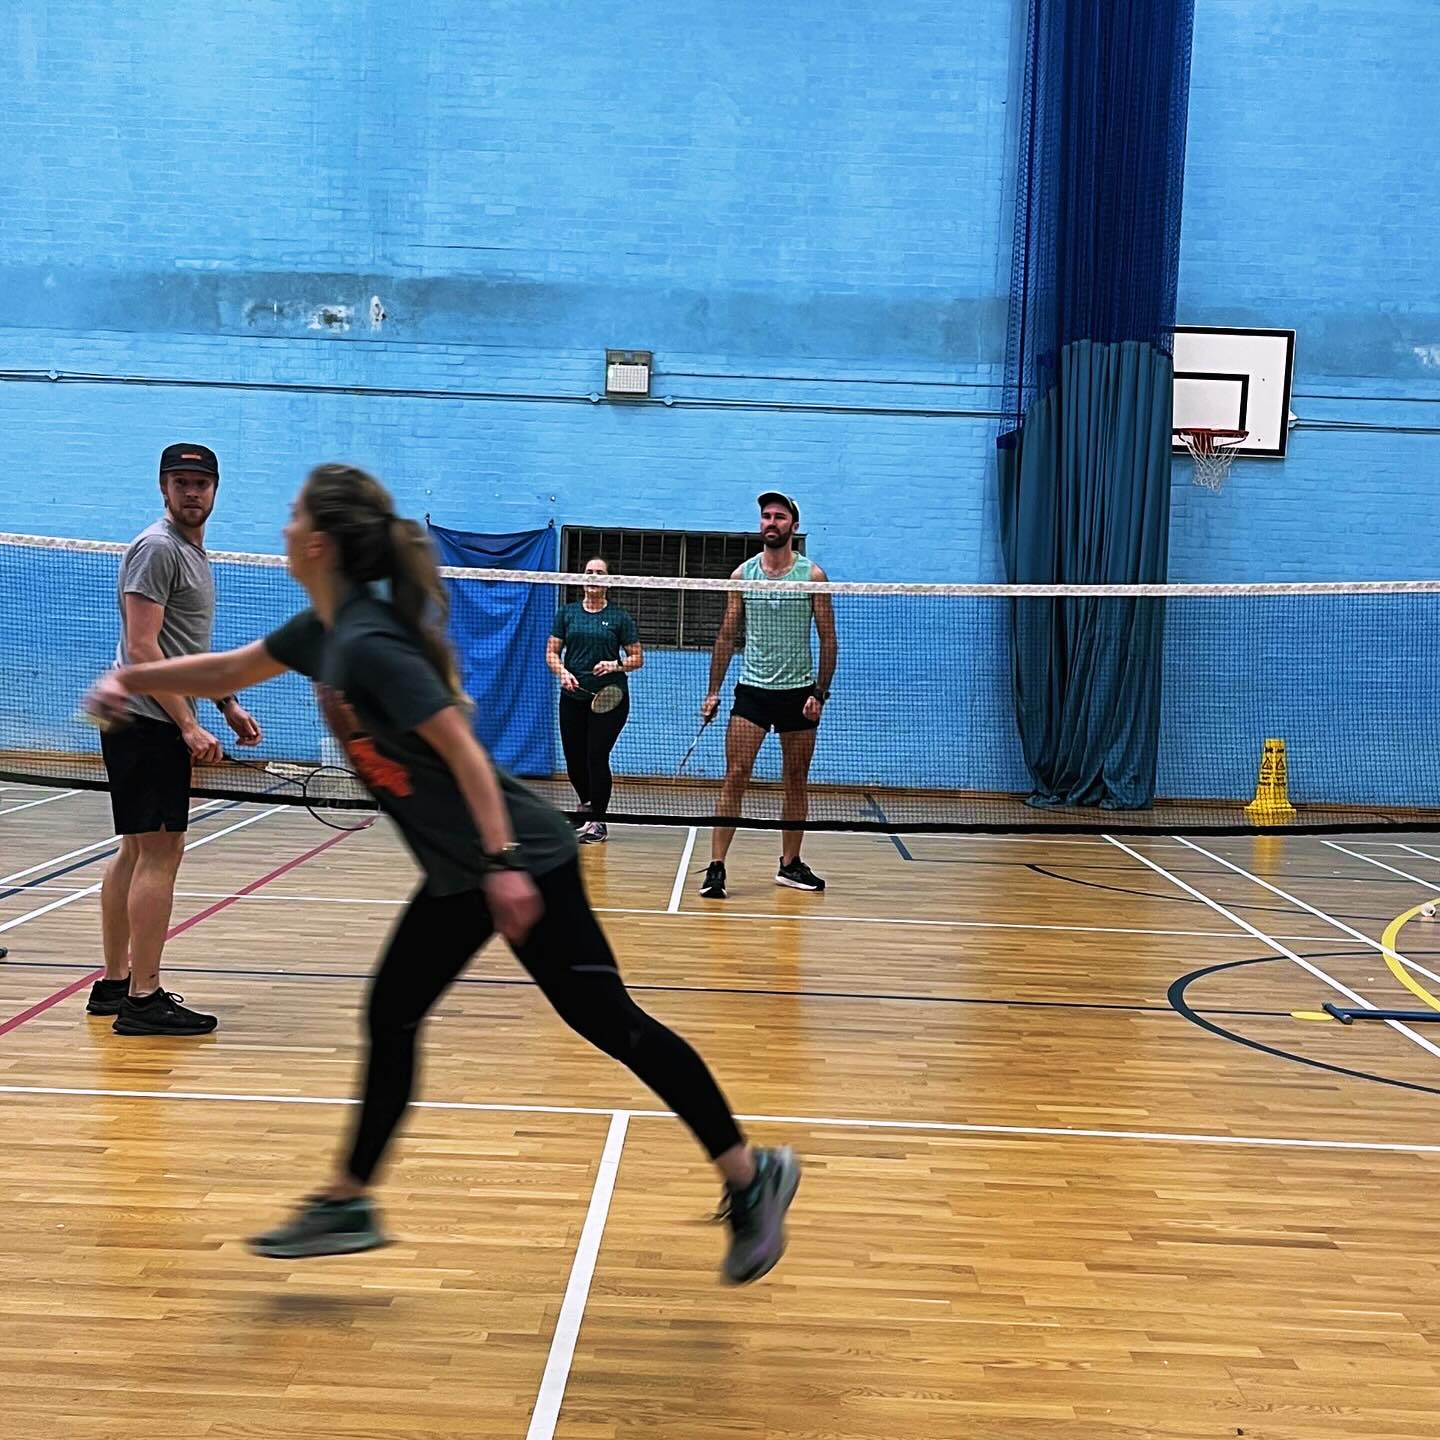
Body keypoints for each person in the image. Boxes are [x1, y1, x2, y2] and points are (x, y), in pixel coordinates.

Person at [85, 464, 799, 1284]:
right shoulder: (323, 629)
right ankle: (349, 1199)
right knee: (391, 1013)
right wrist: (130, 678)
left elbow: (461, 749)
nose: (281, 530)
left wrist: (502, 867)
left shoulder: (369, 644)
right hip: (463, 871)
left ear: (318, 542)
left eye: (291, 519)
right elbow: (224, 672)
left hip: (517, 858)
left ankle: (752, 1174)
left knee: (610, 1023)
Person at [87, 443, 262, 1037]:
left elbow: (185, 646)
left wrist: (226, 701)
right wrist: (187, 724)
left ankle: (114, 983)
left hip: (151, 718)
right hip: (147, 721)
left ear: (216, 490)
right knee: (161, 853)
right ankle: (144, 998)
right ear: (163, 487)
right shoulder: (158, 548)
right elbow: (143, 648)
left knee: (136, 852)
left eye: (201, 483)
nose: (192, 492)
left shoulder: (191, 553)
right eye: (181, 481)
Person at [698, 493, 837, 900]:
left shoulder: (813, 577)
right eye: (766, 516)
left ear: (793, 526)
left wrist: (820, 693)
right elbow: (727, 634)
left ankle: (789, 864)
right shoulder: (742, 576)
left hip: (799, 694)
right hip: (753, 692)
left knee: (795, 780)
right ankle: (717, 867)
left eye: (779, 516)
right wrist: (713, 691)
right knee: (735, 775)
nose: (771, 522)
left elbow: (828, 639)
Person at [546, 557, 643, 844]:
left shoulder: (619, 618)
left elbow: (638, 658)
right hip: (572, 695)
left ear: (608, 581)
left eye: (600, 573)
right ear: (582, 578)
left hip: (610, 698)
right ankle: (588, 805)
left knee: (596, 756)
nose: (594, 576)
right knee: (574, 759)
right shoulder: (567, 614)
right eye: (589, 572)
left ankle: (599, 821)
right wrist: (562, 672)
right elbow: (551, 652)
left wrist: (615, 665)